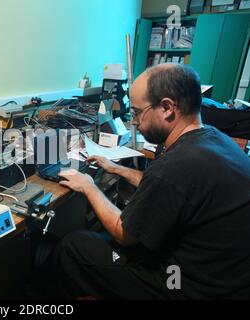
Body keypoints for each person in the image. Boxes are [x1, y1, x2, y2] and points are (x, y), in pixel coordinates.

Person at [53, 63, 250, 299]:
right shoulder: (215, 139)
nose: (134, 121)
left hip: (184, 285)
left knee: (75, 245)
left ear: (167, 107)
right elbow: (171, 188)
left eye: (137, 112)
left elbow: (123, 233)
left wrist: (89, 186)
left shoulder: (176, 165)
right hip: (224, 279)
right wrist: (117, 169)